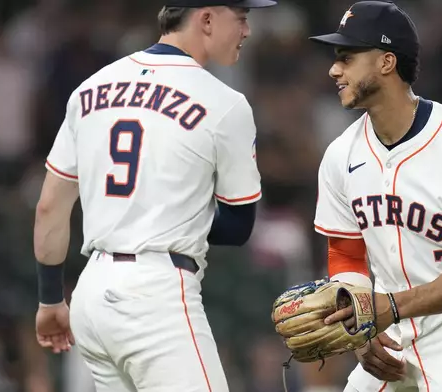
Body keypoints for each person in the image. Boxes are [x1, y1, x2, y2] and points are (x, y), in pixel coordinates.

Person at [32, 0, 276, 391]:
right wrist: (165, 209)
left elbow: (49, 207)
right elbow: (238, 225)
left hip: (91, 294)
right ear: (207, 19)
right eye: (242, 19)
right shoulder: (226, 104)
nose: (247, 31)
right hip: (155, 294)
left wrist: (48, 301)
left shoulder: (90, 88)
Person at [309, 1, 442, 391]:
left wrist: (390, 307)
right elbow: (346, 252)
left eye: (347, 57)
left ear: (387, 62)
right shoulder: (340, 156)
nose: (334, 69)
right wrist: (361, 324)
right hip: (396, 344)